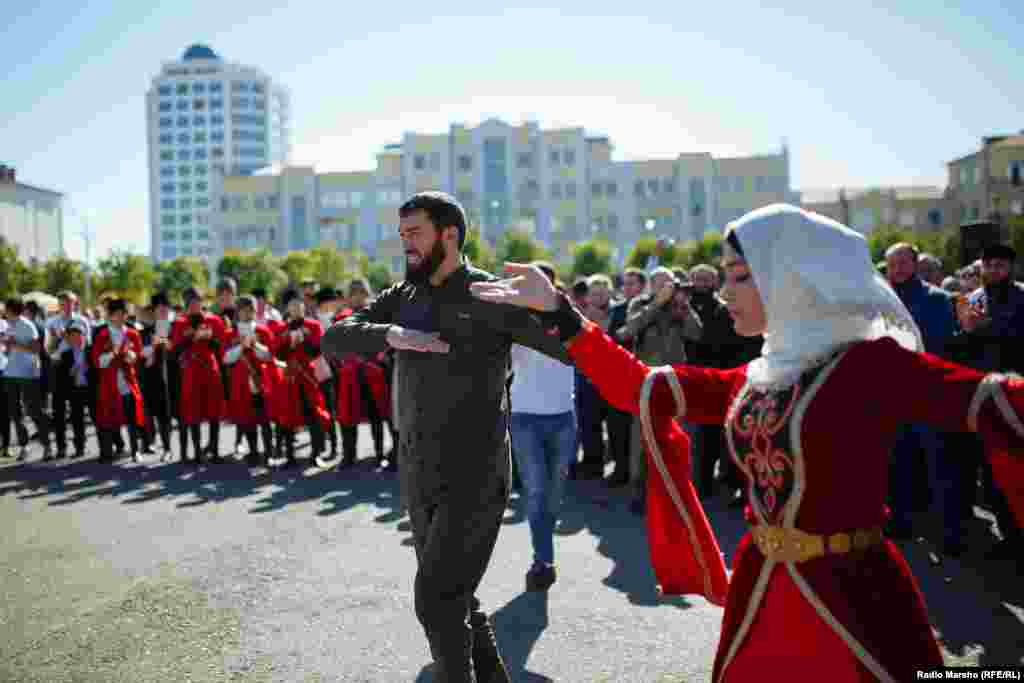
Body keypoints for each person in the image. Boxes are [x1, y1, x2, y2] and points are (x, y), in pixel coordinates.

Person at [470, 204, 1024, 683]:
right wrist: (561, 314)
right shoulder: (755, 376)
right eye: (728, 276)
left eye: (740, 275)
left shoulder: (869, 365)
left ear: (789, 277)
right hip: (761, 592)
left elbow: (998, 404)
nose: (726, 290)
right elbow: (639, 388)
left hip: (855, 597)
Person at [322, 191, 569, 683]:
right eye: (402, 236)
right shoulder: (402, 297)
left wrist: (555, 307)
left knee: (435, 600)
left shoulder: (488, 294)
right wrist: (390, 334)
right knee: (456, 597)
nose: (406, 245)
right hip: (417, 471)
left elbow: (571, 346)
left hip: (475, 476)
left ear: (449, 234)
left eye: (415, 233)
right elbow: (335, 337)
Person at [509, 261, 577, 592]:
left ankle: (543, 549)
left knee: (554, 494)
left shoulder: (569, 318)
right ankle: (543, 559)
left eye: (545, 284)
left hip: (563, 416)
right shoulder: (512, 318)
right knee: (536, 491)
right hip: (525, 417)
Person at [272, 289, 331, 469]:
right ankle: (289, 456)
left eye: (299, 305)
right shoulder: (282, 328)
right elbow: (278, 355)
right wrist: (288, 343)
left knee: (314, 415)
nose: (296, 309)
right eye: (292, 306)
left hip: (308, 375)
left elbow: (318, 350)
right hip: (290, 376)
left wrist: (304, 339)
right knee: (288, 416)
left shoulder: (313, 325)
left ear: (304, 307)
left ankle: (316, 454)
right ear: (288, 309)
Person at [171, 288, 227, 464]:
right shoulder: (180, 323)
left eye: (197, 301)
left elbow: (222, 347)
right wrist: (190, 339)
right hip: (191, 370)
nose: (195, 305)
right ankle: (196, 452)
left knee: (214, 410)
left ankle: (215, 450)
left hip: (210, 368)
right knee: (193, 411)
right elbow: (176, 350)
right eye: (191, 303)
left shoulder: (214, 320)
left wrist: (210, 339)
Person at [223, 296, 281, 465]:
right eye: (244, 310)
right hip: (241, 382)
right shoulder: (231, 334)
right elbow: (226, 359)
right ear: (238, 312)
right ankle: (254, 452)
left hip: (261, 381)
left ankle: (269, 453)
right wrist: (241, 346)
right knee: (247, 420)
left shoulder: (263, 331)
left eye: (251, 310)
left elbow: (270, 355)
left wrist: (255, 345)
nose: (248, 313)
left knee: (265, 420)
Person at [91, 299, 146, 462]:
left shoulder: (132, 333)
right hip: (109, 381)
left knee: (132, 417)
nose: (121, 317)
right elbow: (97, 361)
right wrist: (112, 354)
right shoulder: (102, 335)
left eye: (123, 314)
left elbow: (138, 355)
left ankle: (135, 450)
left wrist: (132, 356)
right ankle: (109, 450)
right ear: (110, 316)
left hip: (128, 380)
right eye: (117, 314)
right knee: (108, 416)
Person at [3, 298, 51, 460]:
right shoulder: (8, 325)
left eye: (5, 309)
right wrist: (7, 347)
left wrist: (15, 346)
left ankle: (47, 445)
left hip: (28, 374)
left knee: (34, 410)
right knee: (15, 413)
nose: (3, 311)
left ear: (11, 310)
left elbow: (36, 349)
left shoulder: (27, 325)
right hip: (10, 373)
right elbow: (10, 350)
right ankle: (24, 447)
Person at [52, 320, 92, 460]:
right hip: (75, 389)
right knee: (77, 418)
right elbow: (62, 377)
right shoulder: (65, 354)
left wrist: (88, 369)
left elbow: (98, 371)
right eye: (72, 336)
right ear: (68, 338)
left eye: (78, 335)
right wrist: (70, 372)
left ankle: (111, 444)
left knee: (98, 417)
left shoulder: (91, 351)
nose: (76, 338)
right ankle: (79, 447)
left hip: (90, 388)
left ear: (84, 336)